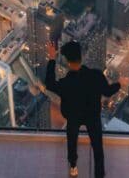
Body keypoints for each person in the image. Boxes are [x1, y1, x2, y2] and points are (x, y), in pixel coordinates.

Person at [45, 39, 121, 177]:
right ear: (82, 57)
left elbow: (49, 84)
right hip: (92, 116)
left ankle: (73, 166)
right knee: (98, 148)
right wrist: (120, 83)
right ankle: (99, 174)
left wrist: (51, 59)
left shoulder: (65, 83)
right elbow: (108, 91)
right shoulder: (96, 75)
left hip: (73, 116)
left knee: (72, 141)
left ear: (68, 62)